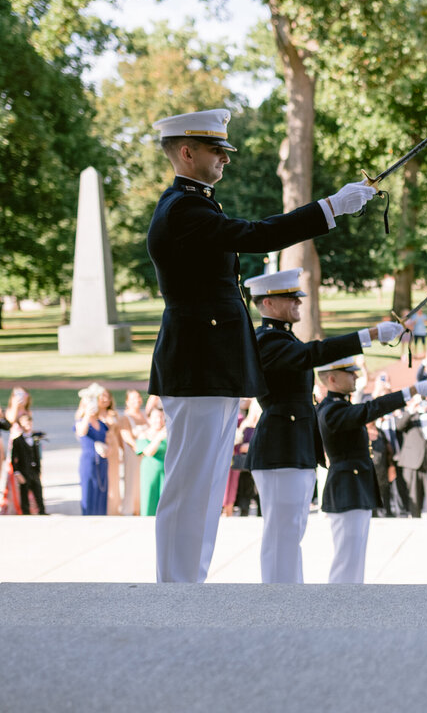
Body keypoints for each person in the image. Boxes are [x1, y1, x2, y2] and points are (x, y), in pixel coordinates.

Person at [147, 107, 376, 583]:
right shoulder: (185, 208)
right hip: (198, 364)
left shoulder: (198, 205)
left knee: (206, 486)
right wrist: (330, 208)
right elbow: (257, 235)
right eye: (217, 150)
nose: (225, 159)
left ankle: (187, 584)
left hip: (211, 364)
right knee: (191, 484)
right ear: (186, 152)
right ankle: (176, 589)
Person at [243, 267, 404, 583]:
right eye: (289, 298)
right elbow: (312, 354)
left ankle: (290, 597)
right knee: (282, 532)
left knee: (292, 530)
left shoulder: (283, 339)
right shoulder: (267, 341)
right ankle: (280, 600)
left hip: (293, 448)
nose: (297, 304)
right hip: (279, 449)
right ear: (267, 305)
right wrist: (369, 335)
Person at [316, 356, 427, 583]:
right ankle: (338, 606)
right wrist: (411, 391)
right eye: (349, 373)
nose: (356, 375)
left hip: (354, 488)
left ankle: (350, 602)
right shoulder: (332, 411)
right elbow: (371, 409)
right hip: (346, 488)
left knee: (355, 556)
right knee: (347, 557)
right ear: (332, 379)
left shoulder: (336, 407)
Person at [75, 384, 116, 516]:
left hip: (103, 461)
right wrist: (87, 414)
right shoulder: (81, 422)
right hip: (88, 461)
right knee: (89, 493)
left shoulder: (102, 424)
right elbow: (81, 432)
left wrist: (107, 450)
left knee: (101, 492)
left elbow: (109, 442)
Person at [115, 389, 147, 516]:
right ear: (127, 402)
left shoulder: (144, 415)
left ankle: (143, 506)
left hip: (147, 454)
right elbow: (126, 436)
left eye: (138, 397)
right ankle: (130, 509)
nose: (137, 401)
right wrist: (139, 449)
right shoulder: (125, 417)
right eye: (133, 398)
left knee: (143, 480)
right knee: (132, 481)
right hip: (133, 453)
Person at [8, 412, 45, 514]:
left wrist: (39, 470)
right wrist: (17, 472)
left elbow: (37, 456)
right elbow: (13, 458)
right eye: (24, 423)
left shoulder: (35, 438)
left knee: (38, 491)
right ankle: (25, 512)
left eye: (28, 422)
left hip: (34, 470)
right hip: (24, 471)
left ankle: (42, 510)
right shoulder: (17, 441)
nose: (27, 425)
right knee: (24, 493)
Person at [136, 405, 169, 516]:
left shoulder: (169, 434)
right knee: (148, 499)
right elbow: (148, 452)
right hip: (149, 472)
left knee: (165, 501)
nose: (158, 420)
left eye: (161, 417)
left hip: (165, 472)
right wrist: (158, 438)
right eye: (155, 417)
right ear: (149, 419)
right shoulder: (143, 435)